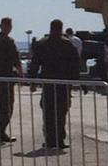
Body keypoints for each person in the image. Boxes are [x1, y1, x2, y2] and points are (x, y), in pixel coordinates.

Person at [28, 19, 81, 150]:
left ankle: (50, 139)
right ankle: (60, 139)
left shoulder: (42, 43)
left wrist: (32, 81)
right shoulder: (67, 44)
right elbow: (75, 65)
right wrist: (76, 81)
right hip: (63, 83)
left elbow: (35, 64)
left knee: (48, 111)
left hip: (48, 83)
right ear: (61, 28)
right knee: (61, 112)